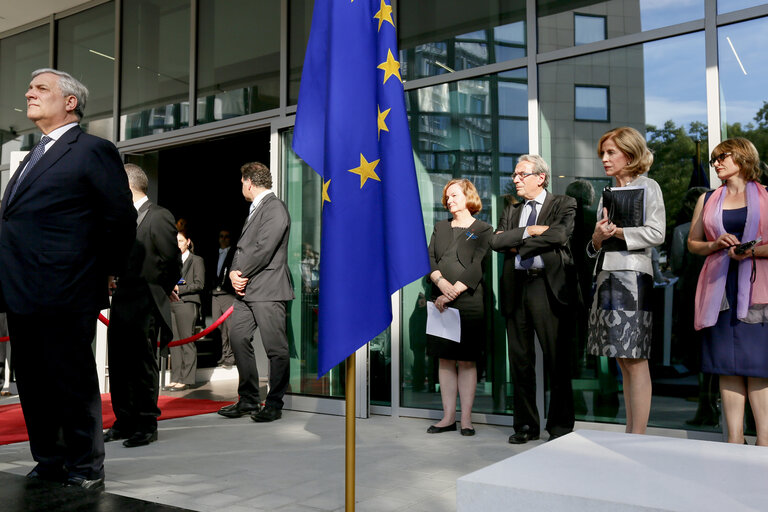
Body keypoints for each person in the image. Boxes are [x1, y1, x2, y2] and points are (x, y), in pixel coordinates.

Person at [0, 68, 136, 489]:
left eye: (40, 88)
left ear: (70, 101)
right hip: (20, 290)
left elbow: (120, 218)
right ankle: (50, 459)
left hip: (66, 288)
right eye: (30, 87)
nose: (29, 93)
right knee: (34, 382)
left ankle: (84, 466)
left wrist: (102, 272)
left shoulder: (93, 149)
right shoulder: (31, 155)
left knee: (70, 381)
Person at [490, 155, 578, 444]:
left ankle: (560, 427)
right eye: (514, 174)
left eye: (521, 174)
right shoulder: (511, 207)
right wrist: (529, 231)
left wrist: (519, 244)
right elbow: (496, 242)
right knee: (521, 363)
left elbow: (560, 235)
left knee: (557, 361)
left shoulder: (562, 203)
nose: (515, 179)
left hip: (548, 289)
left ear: (540, 177)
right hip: (516, 289)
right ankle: (526, 426)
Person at [688, 137, 768, 446]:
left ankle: (764, 441)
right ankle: (734, 440)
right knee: (727, 364)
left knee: (758, 365)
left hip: (757, 287)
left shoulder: (766, 196)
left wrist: (751, 252)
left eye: (723, 157)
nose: (717, 163)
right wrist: (714, 244)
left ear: (744, 158)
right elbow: (694, 243)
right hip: (719, 290)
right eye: (714, 159)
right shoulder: (708, 198)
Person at [587, 126, 665, 435]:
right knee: (621, 358)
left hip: (633, 278)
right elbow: (596, 245)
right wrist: (596, 238)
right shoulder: (607, 192)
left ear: (630, 155)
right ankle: (631, 430)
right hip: (606, 276)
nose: (604, 159)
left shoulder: (649, 187)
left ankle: (638, 434)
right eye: (602, 153)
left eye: (610, 153)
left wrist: (617, 232)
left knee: (635, 357)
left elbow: (657, 233)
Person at [105, 164, 181, 448]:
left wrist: (160, 289)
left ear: (127, 187)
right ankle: (123, 421)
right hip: (122, 300)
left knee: (142, 365)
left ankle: (146, 424)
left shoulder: (159, 216)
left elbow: (172, 261)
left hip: (146, 300)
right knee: (120, 364)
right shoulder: (123, 218)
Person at [217, 162, 294, 422]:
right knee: (238, 339)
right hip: (246, 291)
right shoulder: (256, 208)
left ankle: (274, 404)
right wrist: (232, 273)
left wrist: (240, 273)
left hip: (268, 289)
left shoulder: (275, 207)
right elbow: (242, 248)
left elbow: (264, 248)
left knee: (276, 349)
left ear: (249, 181)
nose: (241, 186)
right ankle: (248, 400)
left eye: (241, 182)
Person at [425, 179, 492, 437]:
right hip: (440, 299)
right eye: (447, 197)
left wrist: (454, 291)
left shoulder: (483, 229)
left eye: (454, 195)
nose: (449, 200)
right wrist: (441, 284)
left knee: (466, 361)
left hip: (469, 300)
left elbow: (477, 264)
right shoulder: (440, 227)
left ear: (468, 197)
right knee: (444, 358)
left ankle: (466, 419)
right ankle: (448, 417)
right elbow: (430, 258)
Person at [166, 231, 205, 391]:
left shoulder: (196, 260)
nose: (178, 244)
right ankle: (176, 377)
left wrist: (178, 288)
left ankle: (186, 378)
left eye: (181, 241)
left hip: (187, 303)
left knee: (186, 341)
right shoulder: (172, 260)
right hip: (171, 303)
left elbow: (199, 284)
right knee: (174, 343)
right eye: (175, 241)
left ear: (188, 241)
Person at [210, 229, 236, 366]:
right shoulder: (215, 253)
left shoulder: (234, 253)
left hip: (228, 294)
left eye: (227, 237)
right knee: (217, 327)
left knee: (229, 327)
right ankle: (221, 354)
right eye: (221, 236)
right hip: (215, 294)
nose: (224, 239)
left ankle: (230, 356)